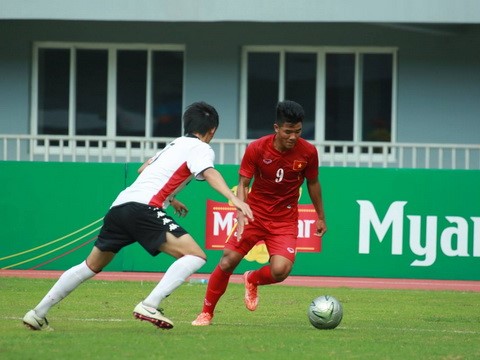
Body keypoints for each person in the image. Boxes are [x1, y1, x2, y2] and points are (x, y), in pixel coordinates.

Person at [23, 101, 253, 331]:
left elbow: (143, 169)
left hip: (120, 207)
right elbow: (209, 172)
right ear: (212, 130)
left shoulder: (172, 145)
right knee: (195, 256)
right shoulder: (201, 148)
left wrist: (171, 198)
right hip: (143, 208)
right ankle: (150, 304)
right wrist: (233, 198)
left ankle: (37, 313)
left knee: (90, 265)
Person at [192, 100, 327, 326]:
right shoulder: (257, 148)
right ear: (276, 128)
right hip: (255, 214)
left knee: (281, 271)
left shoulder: (308, 152)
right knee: (227, 262)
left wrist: (320, 216)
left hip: (284, 220)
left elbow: (313, 183)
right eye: (288, 132)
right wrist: (241, 212)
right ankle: (206, 313)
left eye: (298, 131)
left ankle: (252, 279)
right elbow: (244, 182)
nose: (293, 137)